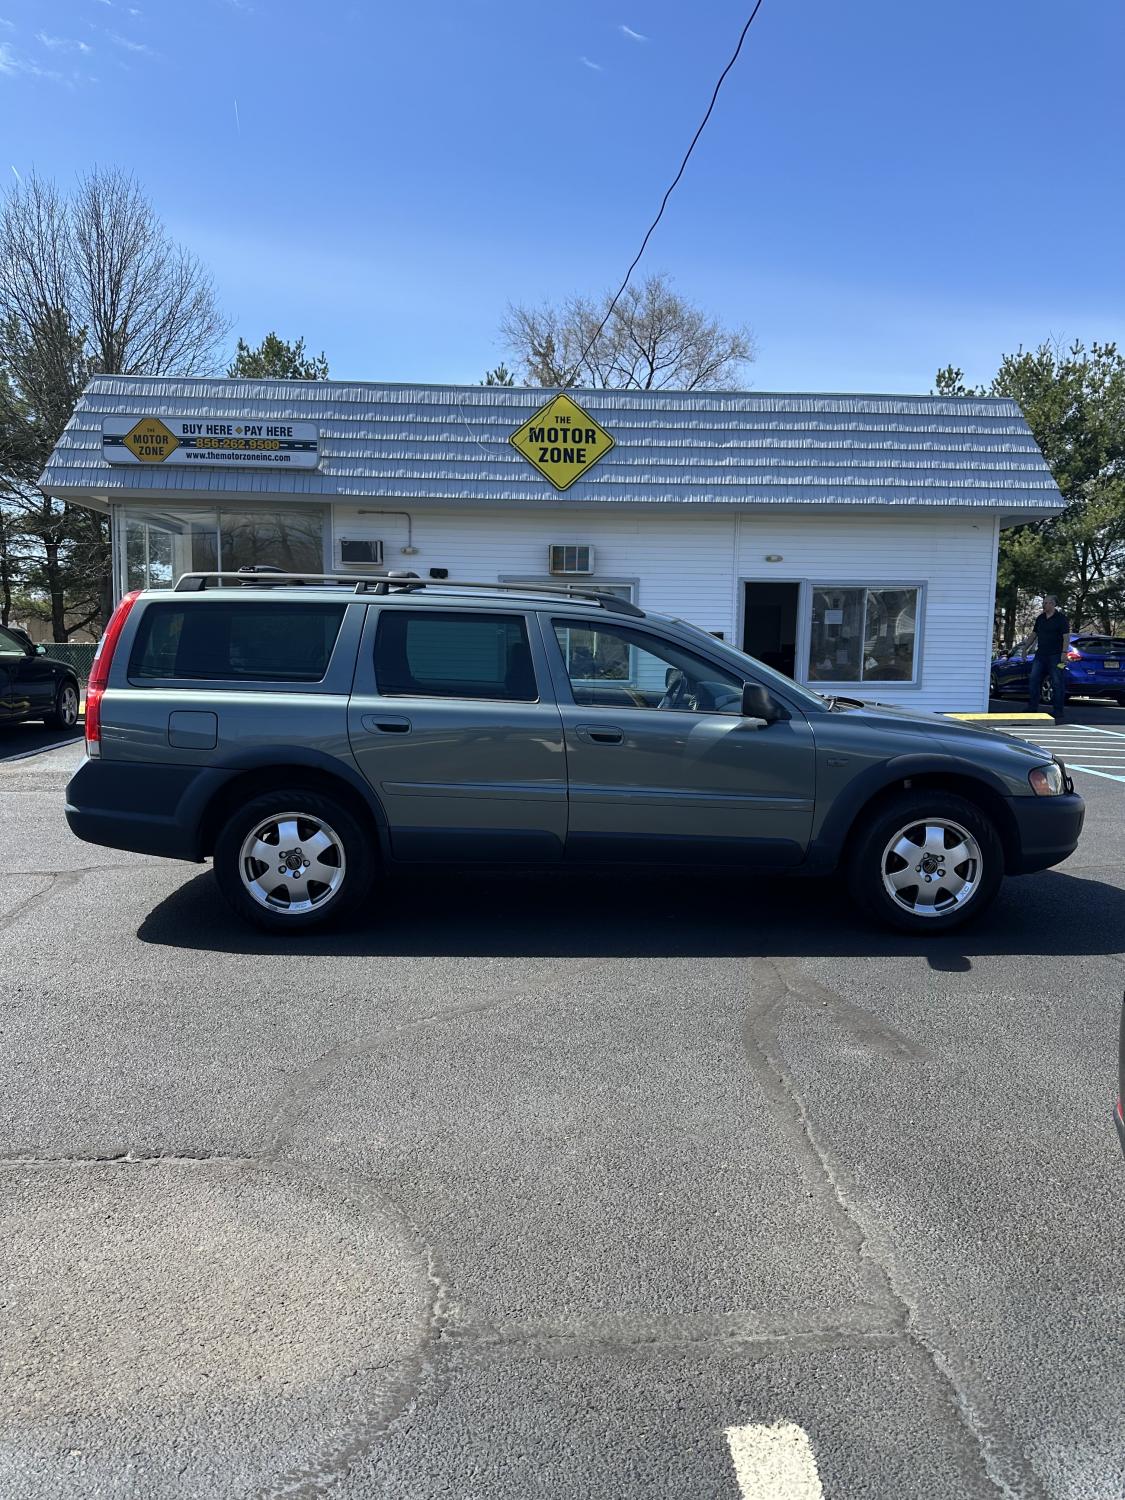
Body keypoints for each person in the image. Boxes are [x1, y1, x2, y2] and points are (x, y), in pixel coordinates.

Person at [1027, 595, 1070, 721]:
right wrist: (1025, 648)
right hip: (1041, 654)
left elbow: (1066, 637)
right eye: (1043, 603)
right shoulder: (1040, 618)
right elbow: (1034, 634)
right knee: (1034, 679)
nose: (1044, 605)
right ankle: (1032, 707)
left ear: (1053, 604)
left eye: (1046, 603)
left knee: (1057, 682)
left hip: (1056, 655)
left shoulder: (1061, 619)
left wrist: (1064, 652)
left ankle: (1058, 710)